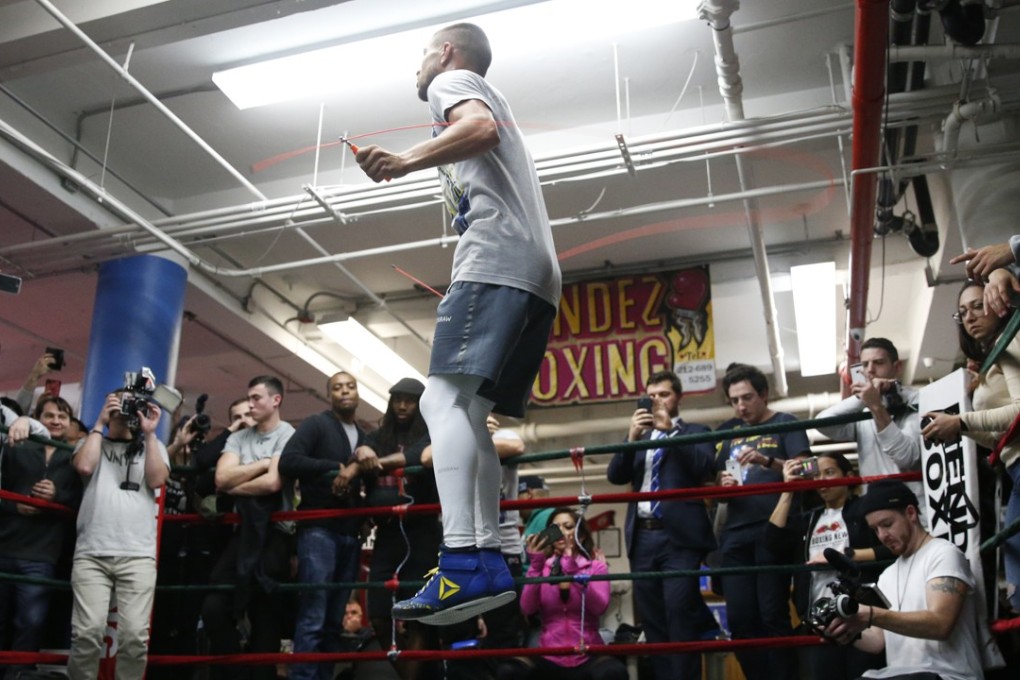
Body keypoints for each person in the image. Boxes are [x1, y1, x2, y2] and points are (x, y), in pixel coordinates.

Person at [354, 22, 560, 625]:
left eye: (422, 54)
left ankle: (462, 560)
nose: (417, 69)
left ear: (445, 52)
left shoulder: (454, 81)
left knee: (438, 406)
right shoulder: (478, 93)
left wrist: (404, 161)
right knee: (468, 413)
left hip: (496, 260)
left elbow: (479, 128)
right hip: (535, 275)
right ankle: (492, 560)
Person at [605, 370, 718, 680]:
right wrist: (630, 438)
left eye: (664, 395)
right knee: (653, 619)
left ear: (678, 397)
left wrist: (671, 432)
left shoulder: (696, 430)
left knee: (680, 611)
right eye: (651, 396)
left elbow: (704, 466)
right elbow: (615, 475)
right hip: (642, 537)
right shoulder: (639, 437)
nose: (657, 401)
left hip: (678, 538)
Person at [919, 276, 1020, 614]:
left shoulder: (1012, 338)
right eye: (963, 311)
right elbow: (994, 438)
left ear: (999, 301)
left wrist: (960, 422)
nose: (970, 316)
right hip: (1013, 467)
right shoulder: (993, 356)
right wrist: (959, 424)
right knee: (1017, 581)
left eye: (978, 305)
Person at [824, 480, 983, 680]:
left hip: (948, 675)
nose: (882, 535)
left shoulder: (943, 553)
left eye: (887, 524)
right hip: (900, 675)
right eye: (875, 529)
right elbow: (877, 642)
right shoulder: (888, 575)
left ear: (911, 513)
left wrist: (871, 614)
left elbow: (940, 624)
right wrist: (842, 630)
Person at [66, 390, 170, 680]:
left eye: (130, 402)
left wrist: (149, 434)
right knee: (86, 633)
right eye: (119, 401)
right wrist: (99, 422)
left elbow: (157, 479)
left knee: (135, 637)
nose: (125, 408)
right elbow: (85, 466)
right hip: (91, 553)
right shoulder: (89, 442)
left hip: (137, 555)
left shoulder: (155, 445)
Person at [715, 363, 810, 680]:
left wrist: (766, 459)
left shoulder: (786, 423)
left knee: (772, 615)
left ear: (764, 394)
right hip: (735, 534)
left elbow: (808, 470)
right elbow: (717, 488)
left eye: (747, 397)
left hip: (774, 530)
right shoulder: (727, 433)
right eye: (734, 400)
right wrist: (721, 487)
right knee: (740, 621)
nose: (741, 406)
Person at [202, 376, 295, 680]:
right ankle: (236, 669)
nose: (250, 404)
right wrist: (264, 463)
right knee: (215, 605)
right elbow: (220, 479)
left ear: (275, 400)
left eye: (256, 398)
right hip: (242, 533)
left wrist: (235, 484)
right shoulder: (239, 438)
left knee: (265, 613)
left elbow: (273, 482)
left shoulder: (288, 434)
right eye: (249, 398)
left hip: (275, 533)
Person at [765, 452, 887, 679]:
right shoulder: (809, 519)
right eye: (818, 475)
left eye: (829, 472)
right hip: (818, 622)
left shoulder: (864, 510)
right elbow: (772, 543)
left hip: (860, 618)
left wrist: (846, 555)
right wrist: (788, 490)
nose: (822, 480)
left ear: (848, 477)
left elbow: (889, 549)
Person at [278, 371, 366, 680]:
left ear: (358, 393)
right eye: (337, 388)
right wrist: (334, 469)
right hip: (318, 530)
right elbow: (288, 461)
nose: (344, 392)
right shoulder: (318, 424)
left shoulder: (364, 436)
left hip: (350, 534)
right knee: (313, 614)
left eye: (350, 386)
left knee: (333, 620)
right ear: (330, 395)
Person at [351, 377, 435, 680]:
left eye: (409, 400)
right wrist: (360, 454)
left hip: (422, 530)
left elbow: (415, 458)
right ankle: (404, 674)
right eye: (398, 399)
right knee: (377, 611)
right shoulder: (379, 435)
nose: (402, 405)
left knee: (420, 614)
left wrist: (364, 463)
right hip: (387, 531)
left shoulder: (431, 433)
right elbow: (362, 451)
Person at [0, 396, 82, 680]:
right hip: (5, 545)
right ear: (39, 420)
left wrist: (57, 497)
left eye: (63, 416)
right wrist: (14, 505)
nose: (57, 421)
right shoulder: (16, 446)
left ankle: (17, 677)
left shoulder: (75, 459)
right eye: (50, 416)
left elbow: (79, 503)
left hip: (43, 554)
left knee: (31, 623)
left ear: (70, 423)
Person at [497, 508, 627, 680]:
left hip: (587, 653)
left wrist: (574, 572)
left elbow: (599, 608)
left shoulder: (596, 567)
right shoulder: (542, 568)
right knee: (509, 671)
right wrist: (536, 565)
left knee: (613, 672)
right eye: (556, 527)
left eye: (568, 527)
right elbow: (527, 608)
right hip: (550, 654)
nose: (562, 532)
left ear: (580, 536)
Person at [815, 338, 922, 503]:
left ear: (897, 367)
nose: (870, 370)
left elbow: (906, 456)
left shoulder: (917, 399)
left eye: (878, 362)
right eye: (864, 365)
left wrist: (876, 405)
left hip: (915, 506)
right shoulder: (861, 409)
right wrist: (863, 398)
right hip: (876, 507)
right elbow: (822, 423)